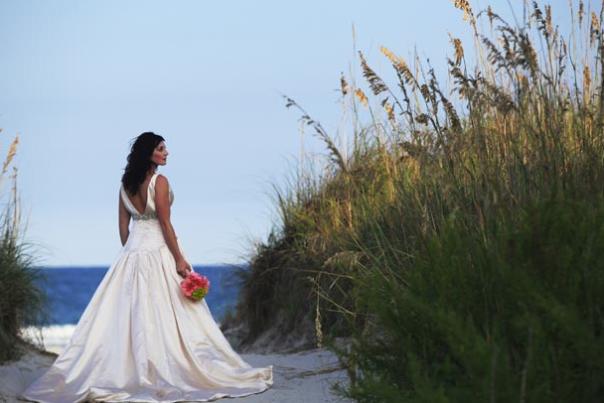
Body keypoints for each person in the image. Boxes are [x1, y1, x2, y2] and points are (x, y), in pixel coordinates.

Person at [19, 132, 273, 402]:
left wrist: (132, 251)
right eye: (161, 148)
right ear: (149, 153)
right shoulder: (159, 181)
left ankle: (135, 367)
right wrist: (179, 259)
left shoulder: (125, 185)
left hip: (131, 254)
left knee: (135, 313)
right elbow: (165, 224)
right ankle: (165, 366)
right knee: (170, 312)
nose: (167, 153)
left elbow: (122, 227)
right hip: (159, 250)